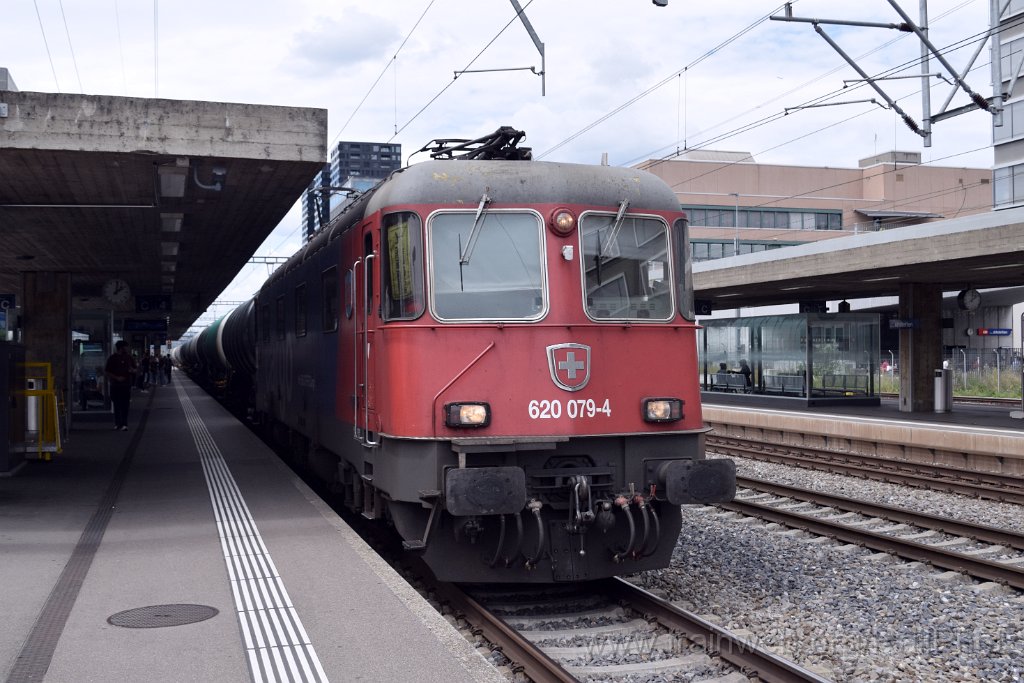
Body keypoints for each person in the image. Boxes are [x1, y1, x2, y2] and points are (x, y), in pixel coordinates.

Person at [105, 340, 136, 431]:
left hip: (126, 385)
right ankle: (118, 423)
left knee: (125, 405)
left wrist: (132, 371)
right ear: (121, 348)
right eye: (126, 347)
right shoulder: (112, 358)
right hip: (115, 385)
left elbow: (135, 369)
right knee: (117, 404)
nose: (127, 348)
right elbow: (107, 371)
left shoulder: (129, 357)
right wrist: (116, 377)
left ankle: (124, 424)